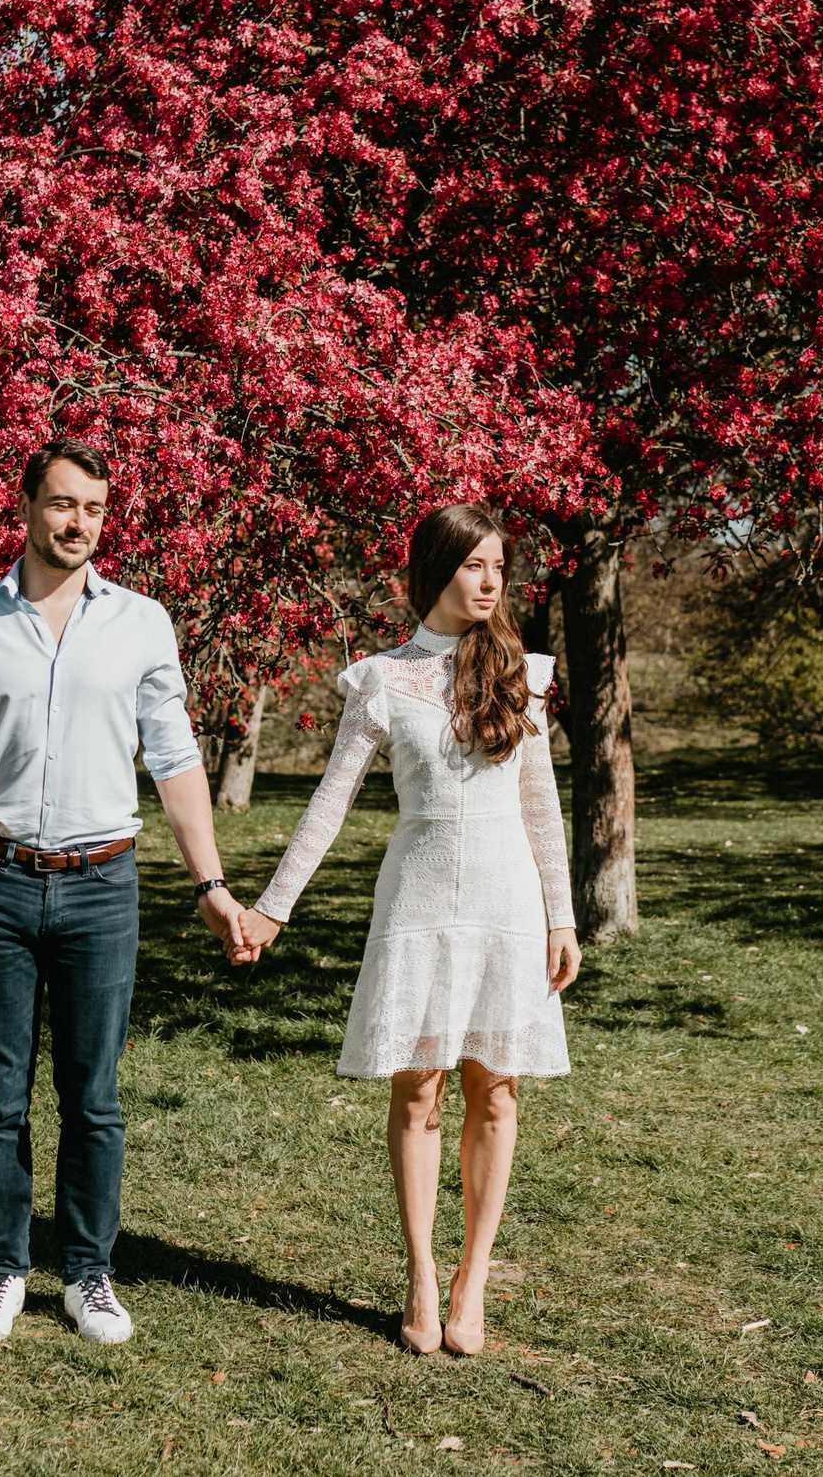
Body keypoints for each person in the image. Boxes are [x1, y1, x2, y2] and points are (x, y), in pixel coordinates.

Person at [0, 437, 251, 1345]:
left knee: (94, 1096)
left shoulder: (142, 623)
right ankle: (0, 1271)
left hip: (104, 886)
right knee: (0, 1095)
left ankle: (90, 1274)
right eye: (63, 504)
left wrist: (211, 885)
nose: (79, 524)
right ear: (25, 507)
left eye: (95, 509)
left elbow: (175, 760)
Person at [233, 502, 584, 1355]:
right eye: (473, 565)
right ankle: (422, 1277)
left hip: (508, 902)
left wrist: (562, 915)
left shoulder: (526, 675)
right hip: (418, 902)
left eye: (499, 566)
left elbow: (540, 806)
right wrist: (273, 908)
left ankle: (474, 1278)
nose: (492, 580)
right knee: (418, 1089)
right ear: (434, 573)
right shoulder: (381, 680)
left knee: (495, 1088)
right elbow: (329, 805)